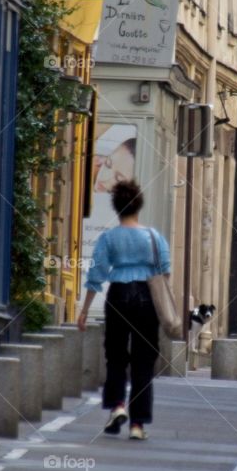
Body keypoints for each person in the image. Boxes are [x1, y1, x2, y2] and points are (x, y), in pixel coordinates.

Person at [76, 179, 171, 441]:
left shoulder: (108, 238)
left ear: (117, 209)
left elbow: (96, 275)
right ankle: (138, 425)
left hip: (118, 296)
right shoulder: (154, 237)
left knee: (116, 356)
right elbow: (165, 271)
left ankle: (117, 406)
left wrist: (84, 310)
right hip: (146, 298)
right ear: (138, 207)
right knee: (143, 361)